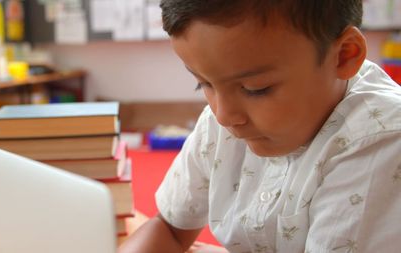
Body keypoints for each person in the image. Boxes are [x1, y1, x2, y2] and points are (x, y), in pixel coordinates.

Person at [119, 0, 401, 252]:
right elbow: (169, 228)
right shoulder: (225, 119)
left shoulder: (379, 140)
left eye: (256, 89)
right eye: (203, 83)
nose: (223, 115)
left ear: (343, 56)